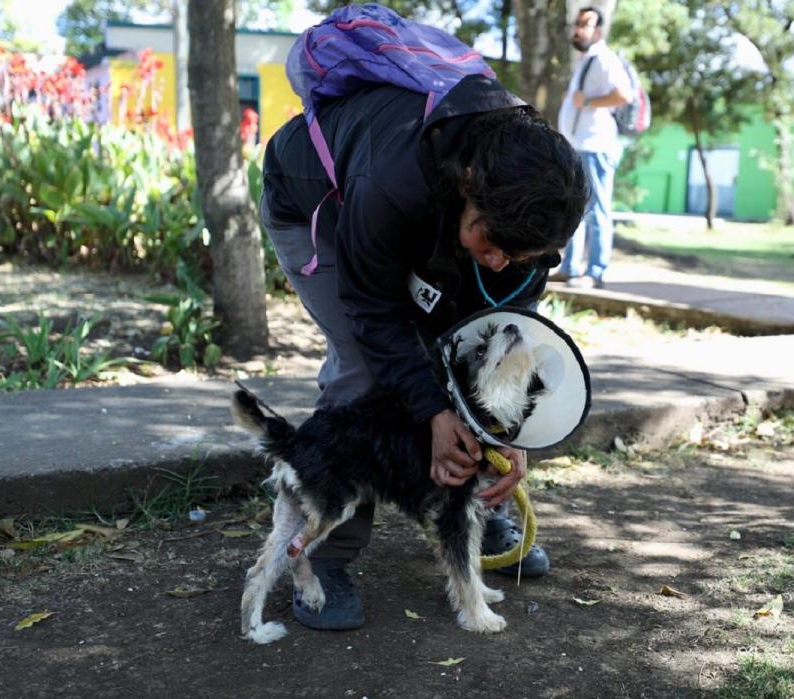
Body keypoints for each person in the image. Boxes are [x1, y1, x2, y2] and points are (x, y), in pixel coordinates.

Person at [260, 70, 589, 631]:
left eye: (523, 254)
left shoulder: (534, 198)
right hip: (323, 209)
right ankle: (324, 555)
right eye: (494, 248)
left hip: (428, 217)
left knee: (473, 350)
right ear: (469, 193)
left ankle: (479, 514)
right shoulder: (394, 180)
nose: (499, 264)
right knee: (366, 369)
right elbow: (372, 311)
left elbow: (509, 327)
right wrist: (434, 412)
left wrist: (510, 438)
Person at [553, 6, 634, 290]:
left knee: (597, 209)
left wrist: (586, 101)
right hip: (580, 146)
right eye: (577, 24)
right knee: (578, 209)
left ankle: (597, 271)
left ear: (598, 31)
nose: (577, 30)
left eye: (584, 25)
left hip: (595, 145)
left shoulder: (605, 59)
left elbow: (624, 95)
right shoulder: (588, 60)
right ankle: (571, 267)